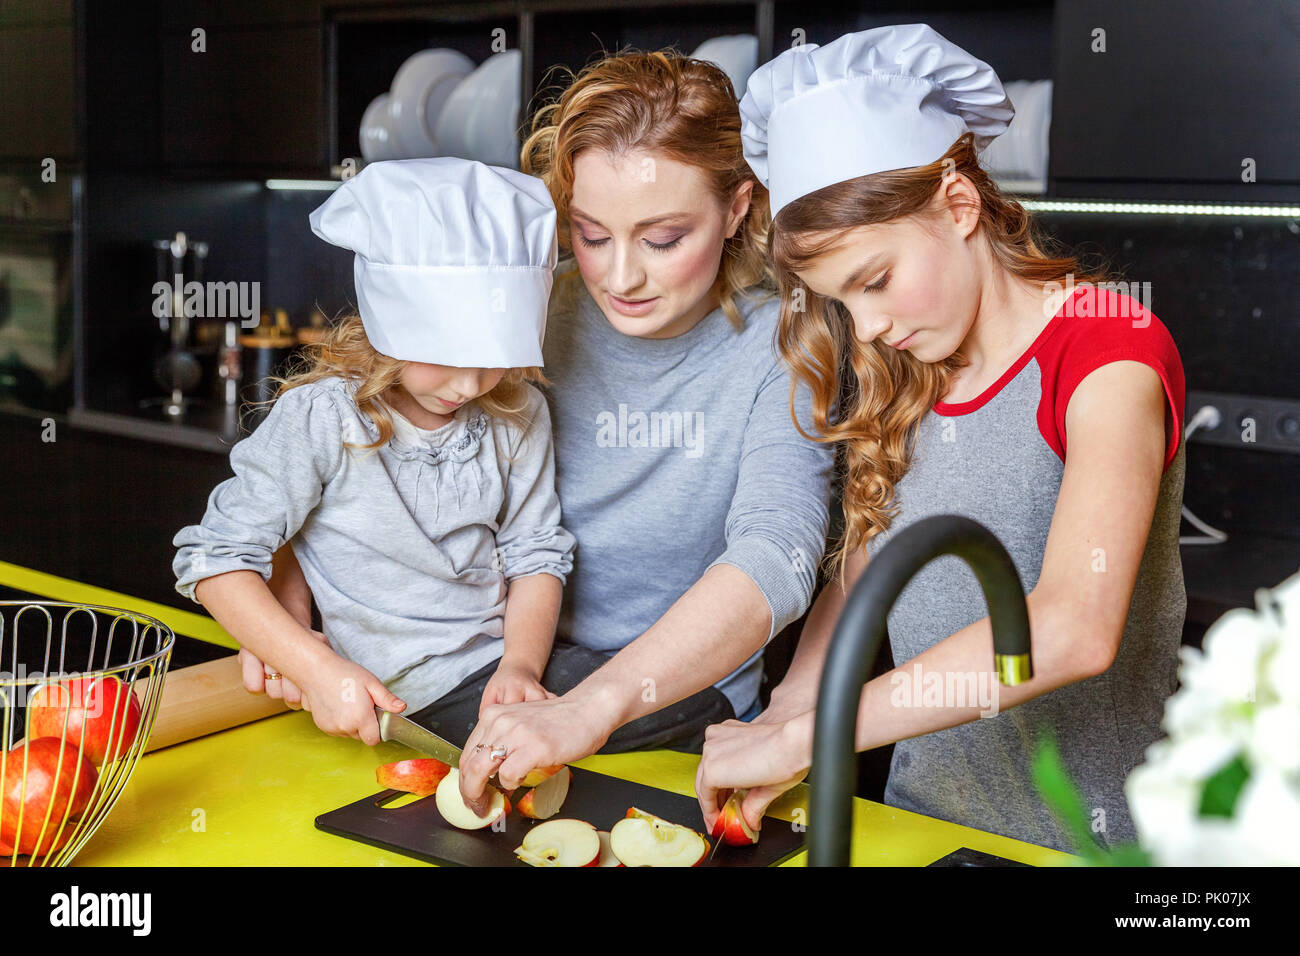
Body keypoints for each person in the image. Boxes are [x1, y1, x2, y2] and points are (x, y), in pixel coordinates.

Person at [248, 52, 835, 806]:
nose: (620, 278)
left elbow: (775, 556)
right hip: (492, 703)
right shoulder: (513, 314)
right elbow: (355, 441)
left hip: (692, 738)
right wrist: (285, 595)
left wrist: (591, 706)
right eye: (591, 236)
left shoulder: (784, 345)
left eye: (662, 240)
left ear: (738, 207)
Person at [695, 24, 1187, 853]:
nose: (870, 326)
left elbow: (1073, 624)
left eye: (875, 281)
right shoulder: (910, 360)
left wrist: (811, 734)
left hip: (1086, 843)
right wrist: (788, 714)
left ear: (960, 205)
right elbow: (864, 581)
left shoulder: (1109, 345)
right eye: (841, 304)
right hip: (918, 828)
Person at [172, 157, 576, 746]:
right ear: (389, 323)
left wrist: (520, 666)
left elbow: (534, 553)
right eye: (447, 357)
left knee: (688, 701)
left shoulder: (518, 412)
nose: (468, 386)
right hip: (399, 692)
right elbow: (215, 559)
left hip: (493, 667)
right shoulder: (324, 416)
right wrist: (315, 668)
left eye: (493, 360)